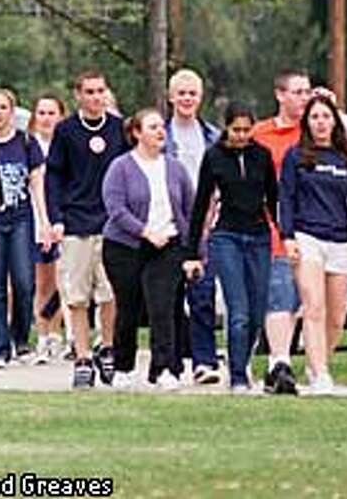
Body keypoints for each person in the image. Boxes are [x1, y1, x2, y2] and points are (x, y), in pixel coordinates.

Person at [280, 94, 347, 395]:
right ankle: (321, 374)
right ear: (307, 123)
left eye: (326, 117)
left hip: (339, 239)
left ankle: (318, 364)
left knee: (337, 316)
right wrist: (287, 236)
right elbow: (285, 198)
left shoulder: (345, 158)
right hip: (307, 236)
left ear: (334, 121)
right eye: (315, 117)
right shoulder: (296, 157)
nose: (321, 123)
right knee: (314, 307)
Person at [184, 103, 278, 393]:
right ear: (225, 128)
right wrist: (192, 252)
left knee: (257, 310)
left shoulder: (261, 156)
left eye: (246, 130)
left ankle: (243, 360)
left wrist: (285, 235)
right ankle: (237, 376)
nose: (241, 136)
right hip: (226, 236)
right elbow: (201, 203)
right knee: (238, 311)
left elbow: (272, 199)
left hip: (259, 236)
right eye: (236, 130)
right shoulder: (214, 157)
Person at [45, 70, 128, 389]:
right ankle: (81, 357)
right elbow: (54, 177)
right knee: (77, 295)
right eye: (89, 92)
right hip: (76, 222)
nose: (96, 98)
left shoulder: (119, 128)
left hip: (112, 224)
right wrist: (56, 217)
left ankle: (107, 348)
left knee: (110, 293)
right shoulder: (66, 131)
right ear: (78, 95)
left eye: (100, 91)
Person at [102, 108, 195, 390]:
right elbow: (115, 208)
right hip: (125, 246)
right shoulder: (121, 167)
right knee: (128, 307)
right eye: (152, 127)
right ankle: (123, 366)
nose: (159, 132)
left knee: (162, 306)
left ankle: (164, 367)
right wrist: (144, 232)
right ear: (137, 133)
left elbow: (189, 210)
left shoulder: (175, 168)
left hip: (167, 245)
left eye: (161, 127)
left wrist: (194, 252)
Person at [252, 69, 312, 395]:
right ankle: (279, 362)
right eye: (298, 92)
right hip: (274, 227)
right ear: (280, 95)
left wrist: (337, 115)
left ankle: (299, 363)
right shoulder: (261, 134)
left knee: (307, 302)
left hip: (315, 226)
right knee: (280, 296)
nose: (304, 98)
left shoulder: (318, 130)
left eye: (308, 92)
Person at [0, 88, 51, 366]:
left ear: (12, 111)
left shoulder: (25, 142)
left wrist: (45, 221)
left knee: (24, 283)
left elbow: (37, 183)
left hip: (21, 217)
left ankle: (21, 339)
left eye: (3, 107)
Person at [164, 68, 222, 386]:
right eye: (181, 93)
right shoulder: (162, 135)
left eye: (192, 94)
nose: (187, 99)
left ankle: (205, 361)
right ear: (171, 96)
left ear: (200, 98)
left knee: (203, 295)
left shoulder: (212, 136)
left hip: (204, 225)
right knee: (169, 296)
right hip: (170, 223)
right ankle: (171, 363)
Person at [28, 95, 68, 364]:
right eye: (41, 112)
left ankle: (58, 335)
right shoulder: (30, 145)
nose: (46, 118)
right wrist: (43, 223)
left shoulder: (65, 145)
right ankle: (42, 336)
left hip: (65, 220)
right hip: (35, 219)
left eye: (51, 112)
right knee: (43, 282)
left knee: (64, 283)